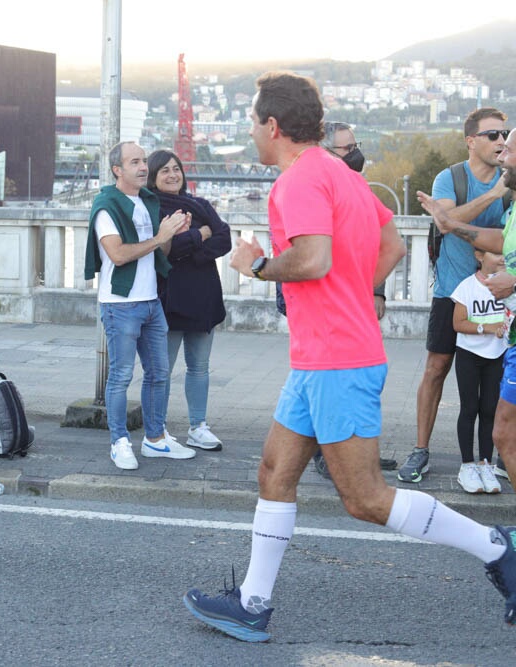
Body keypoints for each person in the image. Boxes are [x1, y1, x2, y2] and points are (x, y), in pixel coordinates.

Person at [184, 72, 516, 643]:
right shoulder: (338, 172)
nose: (251, 133)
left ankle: (498, 550)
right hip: (320, 355)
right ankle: (253, 603)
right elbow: (389, 245)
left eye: (252, 123)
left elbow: (311, 260)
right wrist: (349, 298)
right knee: (274, 471)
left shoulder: (298, 181)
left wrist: (257, 266)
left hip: (337, 359)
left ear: (272, 125)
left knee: (365, 499)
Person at [400, 108, 510, 483]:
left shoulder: (512, 180)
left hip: (500, 295)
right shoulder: (451, 178)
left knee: (503, 378)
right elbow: (443, 222)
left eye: (504, 134)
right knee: (436, 369)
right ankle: (420, 450)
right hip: (452, 292)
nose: (500, 141)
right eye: (492, 134)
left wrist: (452, 221)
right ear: (471, 140)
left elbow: (449, 222)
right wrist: (493, 194)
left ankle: (498, 456)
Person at [85, 141, 192, 470]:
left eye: (144, 160)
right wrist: (160, 237)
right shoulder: (106, 206)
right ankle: (119, 441)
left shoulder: (147, 200)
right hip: (121, 304)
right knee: (120, 376)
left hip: (150, 301)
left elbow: (161, 250)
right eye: (135, 162)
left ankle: (155, 439)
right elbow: (117, 255)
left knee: (160, 373)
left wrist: (172, 231)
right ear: (118, 170)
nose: (144, 167)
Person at [310, 121, 396, 477]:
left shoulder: (357, 186)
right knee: (330, 381)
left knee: (352, 381)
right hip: (326, 306)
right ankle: (328, 455)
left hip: (350, 303)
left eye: (356, 145)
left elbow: (380, 245)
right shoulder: (320, 191)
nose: (357, 154)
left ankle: (356, 454)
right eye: (349, 148)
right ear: (327, 152)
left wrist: (372, 290)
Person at [145, 148, 231, 451]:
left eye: (176, 169)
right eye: (165, 170)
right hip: (169, 299)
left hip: (203, 297)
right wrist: (199, 236)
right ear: (154, 177)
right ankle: (158, 429)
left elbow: (225, 238)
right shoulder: (150, 207)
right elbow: (163, 248)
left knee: (199, 367)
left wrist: (190, 248)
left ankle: (198, 426)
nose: (173, 175)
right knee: (162, 370)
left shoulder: (200, 204)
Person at [450, 249, 505, 493]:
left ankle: (485, 464)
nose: (502, 258)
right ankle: (467, 466)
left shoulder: (506, 288)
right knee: (470, 409)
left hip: (497, 356)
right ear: (479, 256)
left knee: (489, 410)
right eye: (495, 253)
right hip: (469, 355)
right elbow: (458, 324)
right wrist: (488, 327)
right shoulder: (466, 287)